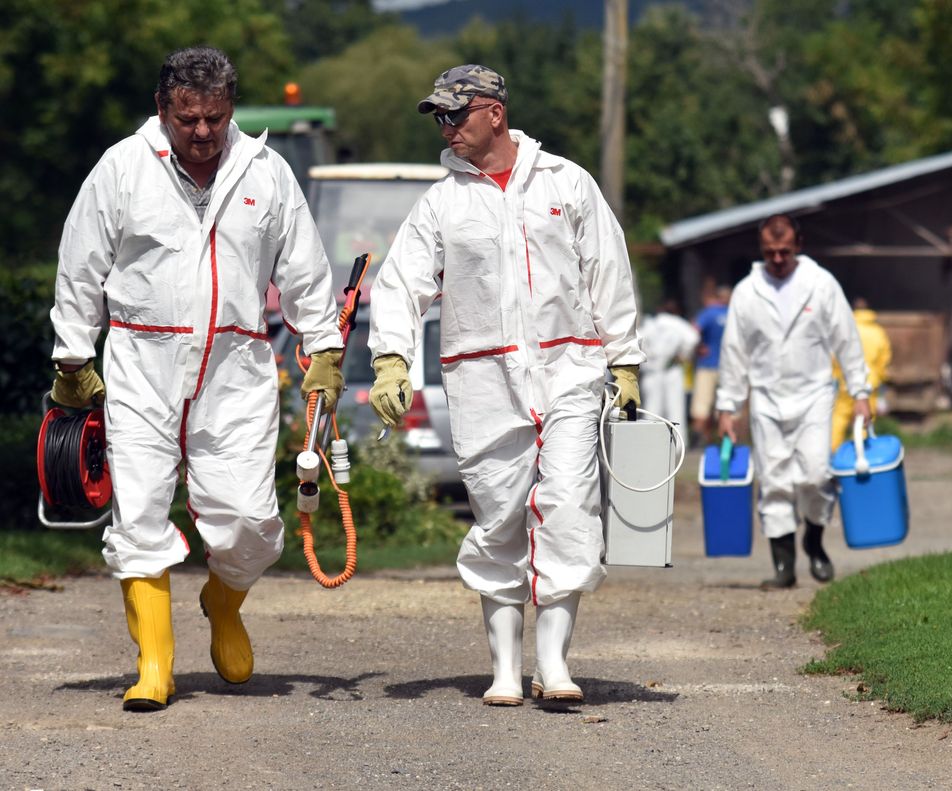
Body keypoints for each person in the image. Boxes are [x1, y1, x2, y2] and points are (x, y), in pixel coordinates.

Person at [49, 47, 344, 712]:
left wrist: (321, 344)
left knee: (250, 519)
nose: (203, 132)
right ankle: (155, 663)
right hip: (140, 363)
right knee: (141, 510)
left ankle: (223, 599)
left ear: (230, 109)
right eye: (188, 119)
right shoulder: (122, 169)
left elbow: (303, 267)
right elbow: (80, 266)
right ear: (163, 109)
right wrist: (73, 357)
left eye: (215, 117)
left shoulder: (266, 173)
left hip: (234, 368)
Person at [367, 65, 643, 706]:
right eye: (438, 118)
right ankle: (505, 669)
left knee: (569, 505)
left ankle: (555, 662)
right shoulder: (442, 201)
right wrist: (392, 361)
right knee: (499, 515)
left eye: (454, 115)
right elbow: (402, 284)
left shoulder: (566, 182)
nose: (445, 129)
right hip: (481, 376)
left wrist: (624, 362)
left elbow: (608, 269)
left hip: (569, 368)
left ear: (493, 112)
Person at [716, 215, 870, 588]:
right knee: (774, 480)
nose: (779, 258)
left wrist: (861, 393)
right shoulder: (747, 292)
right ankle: (783, 566)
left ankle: (814, 542)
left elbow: (847, 340)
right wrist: (727, 407)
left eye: (785, 251)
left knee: (816, 473)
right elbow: (734, 352)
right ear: (761, 249)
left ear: (798, 245)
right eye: (771, 252)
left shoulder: (820, 284)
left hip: (814, 393)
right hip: (766, 397)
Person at [831, 297, 892, 451]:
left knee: (839, 418)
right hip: (869, 382)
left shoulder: (845, 329)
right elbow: (884, 358)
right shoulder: (878, 332)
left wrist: (836, 375)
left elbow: (834, 356)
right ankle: (859, 452)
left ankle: (832, 453)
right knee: (864, 419)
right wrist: (882, 378)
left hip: (845, 381)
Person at [639, 299, 699, 427]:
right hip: (672, 369)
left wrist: (648, 355)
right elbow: (693, 338)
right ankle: (677, 443)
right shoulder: (678, 323)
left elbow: (639, 341)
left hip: (652, 369)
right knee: (675, 408)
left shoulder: (651, 323)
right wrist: (683, 354)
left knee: (651, 409)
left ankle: (649, 441)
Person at [690, 285, 731, 444]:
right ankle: (725, 440)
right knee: (726, 407)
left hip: (707, 364)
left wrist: (698, 347)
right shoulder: (733, 313)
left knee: (702, 405)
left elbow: (692, 331)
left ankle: (699, 439)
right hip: (728, 367)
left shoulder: (708, 313)